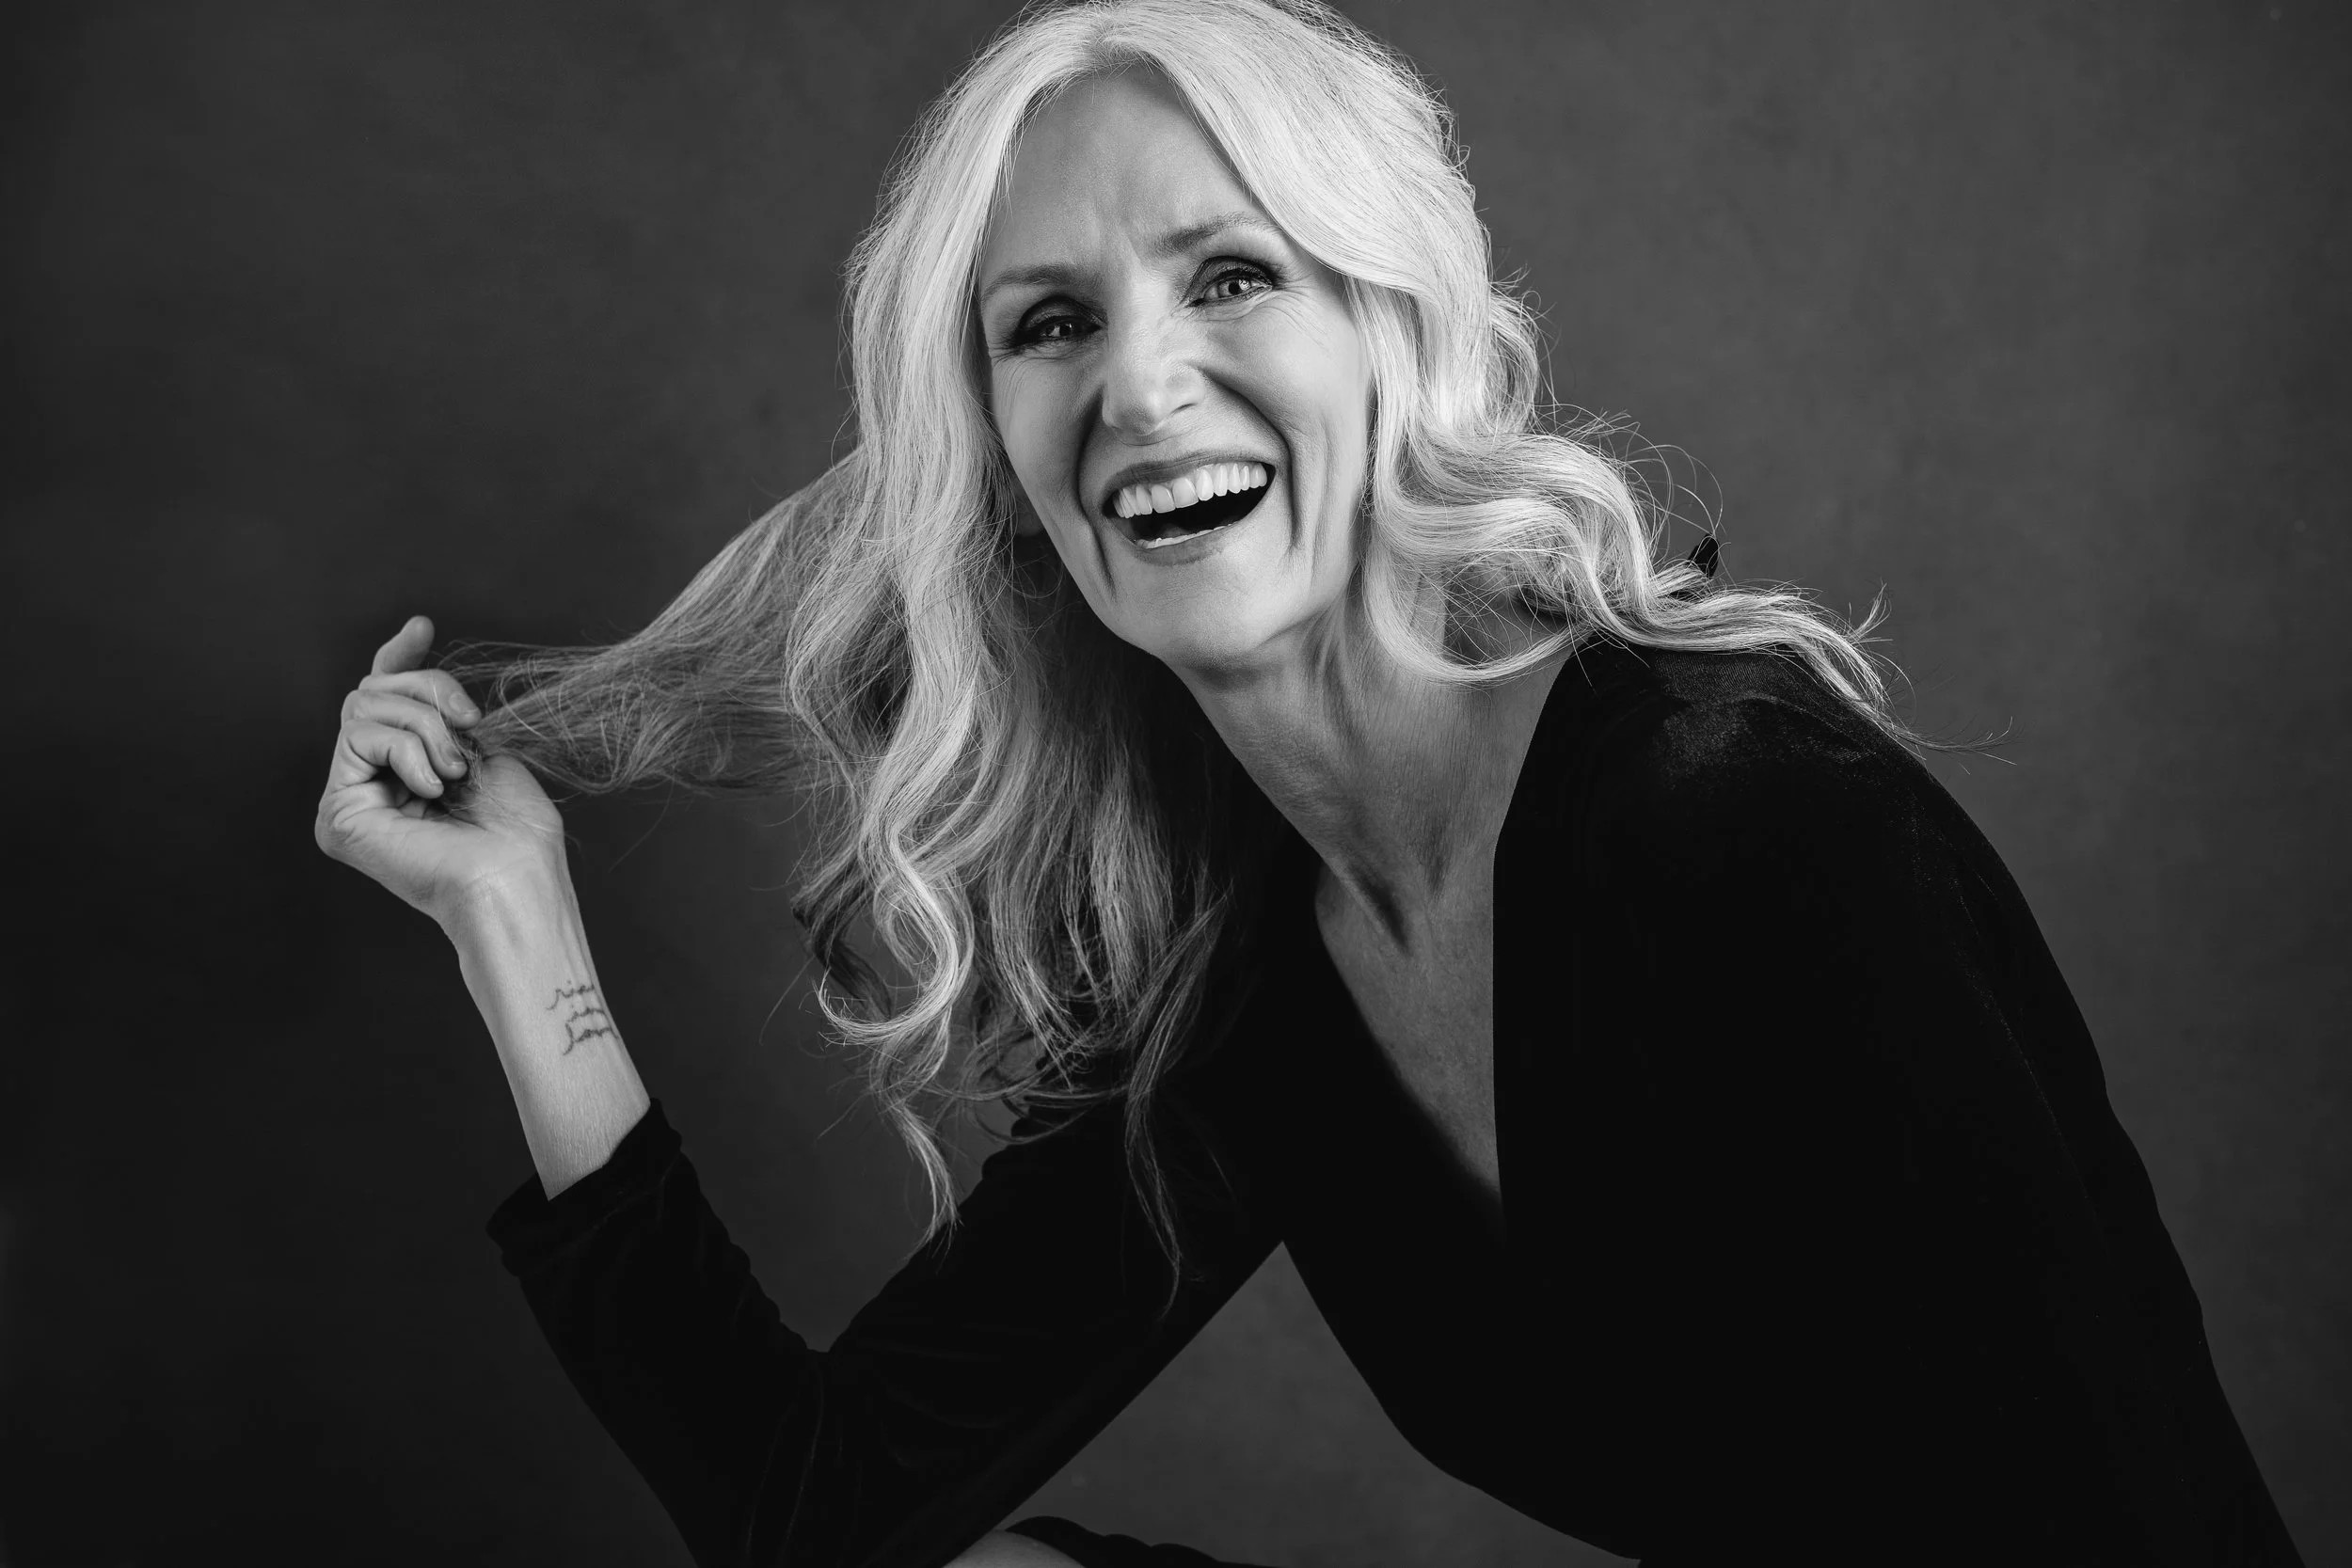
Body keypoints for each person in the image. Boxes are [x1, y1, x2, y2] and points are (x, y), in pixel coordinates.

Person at [312, 1, 2301, 1563]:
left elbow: (2110, 1503)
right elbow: (814, 1514)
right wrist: (515, 922)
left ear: (1391, 329)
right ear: (999, 456)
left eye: (1231, 275)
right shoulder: (1250, 962)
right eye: (1049, 324)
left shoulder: (1744, 819)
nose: (1138, 384)